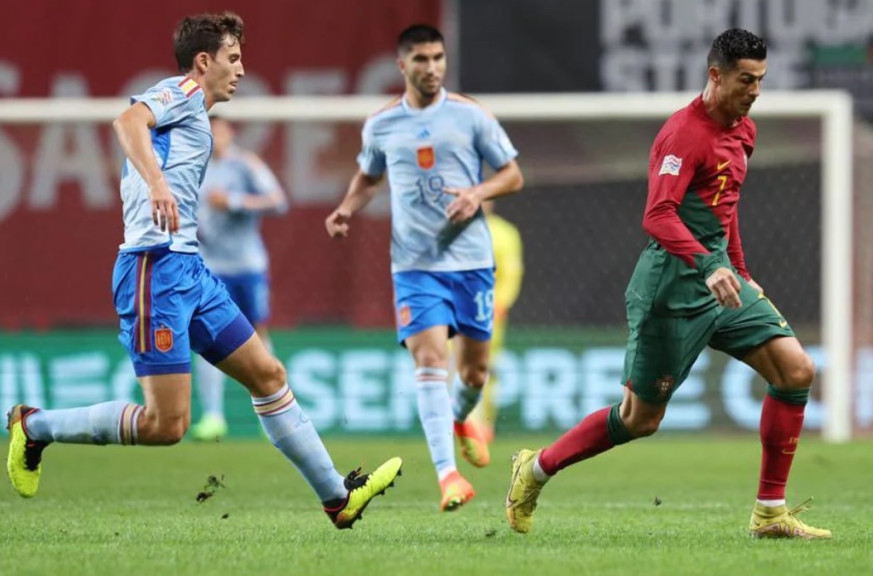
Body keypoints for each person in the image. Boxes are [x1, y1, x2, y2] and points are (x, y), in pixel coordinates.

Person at [5, 12, 401, 530]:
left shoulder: (196, 110)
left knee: (269, 374)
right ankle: (36, 427)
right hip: (153, 269)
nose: (241, 69)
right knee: (165, 425)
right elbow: (127, 124)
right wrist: (157, 184)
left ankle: (337, 499)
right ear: (203, 61)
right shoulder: (183, 91)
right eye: (233, 58)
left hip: (190, 269)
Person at [504, 28, 831, 540]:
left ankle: (770, 512)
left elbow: (726, 207)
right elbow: (658, 215)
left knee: (795, 370)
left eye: (761, 80)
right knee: (640, 419)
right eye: (746, 80)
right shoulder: (682, 134)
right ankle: (535, 468)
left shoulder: (745, 130)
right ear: (715, 75)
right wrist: (710, 265)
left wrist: (737, 267)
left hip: (723, 282)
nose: (755, 91)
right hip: (671, 290)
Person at [325, 24, 524, 512]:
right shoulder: (381, 124)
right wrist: (347, 207)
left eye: (437, 58)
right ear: (402, 66)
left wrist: (477, 193)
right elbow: (370, 176)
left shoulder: (471, 116)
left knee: (474, 374)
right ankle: (447, 474)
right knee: (431, 362)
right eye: (420, 59)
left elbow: (512, 174)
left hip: (472, 262)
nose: (431, 67)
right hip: (414, 265)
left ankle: (461, 418)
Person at [191, 115, 288, 441]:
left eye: (220, 131)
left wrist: (233, 201)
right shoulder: (195, 168)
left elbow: (278, 201)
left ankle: (276, 411)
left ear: (230, 133)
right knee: (207, 336)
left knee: (258, 331)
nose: (216, 137)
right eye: (210, 132)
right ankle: (213, 417)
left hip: (248, 265)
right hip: (211, 265)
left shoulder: (246, 165)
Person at [470, 201, 524, 442]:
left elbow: (511, 273)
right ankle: (461, 423)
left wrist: (501, 303)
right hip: (455, 311)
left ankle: (483, 424)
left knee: (484, 367)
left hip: (488, 312)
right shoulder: (450, 230)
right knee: (451, 367)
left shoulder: (505, 233)